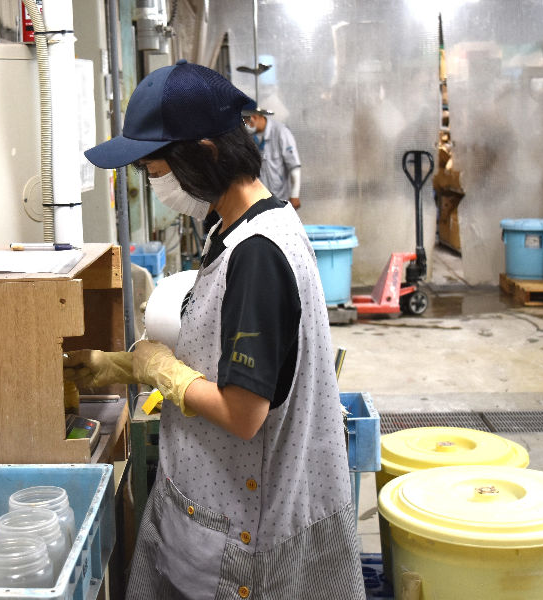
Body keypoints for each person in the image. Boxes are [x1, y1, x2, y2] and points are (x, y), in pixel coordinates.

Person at [66, 59, 364, 600]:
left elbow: (244, 414)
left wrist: (162, 371)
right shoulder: (239, 224)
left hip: (250, 534)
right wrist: (125, 365)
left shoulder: (257, 254)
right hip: (226, 509)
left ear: (203, 152)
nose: (155, 184)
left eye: (155, 170)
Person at [242, 101, 302, 209]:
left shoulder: (281, 132)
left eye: (247, 121)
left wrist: (294, 195)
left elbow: (294, 167)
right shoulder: (248, 137)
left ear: (255, 117)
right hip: (259, 200)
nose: (247, 125)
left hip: (280, 198)